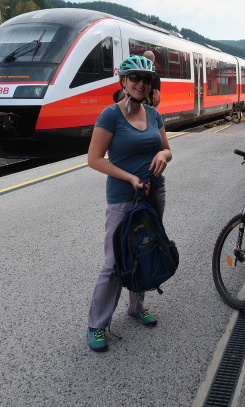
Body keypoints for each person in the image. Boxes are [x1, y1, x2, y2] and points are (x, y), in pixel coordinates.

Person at [86, 55, 172, 352]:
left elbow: (167, 150)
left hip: (153, 193)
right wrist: (130, 178)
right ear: (123, 80)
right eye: (134, 77)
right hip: (124, 197)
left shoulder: (154, 114)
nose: (140, 83)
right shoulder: (110, 115)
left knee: (145, 250)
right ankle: (97, 324)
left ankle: (136, 307)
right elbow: (94, 160)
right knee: (113, 262)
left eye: (146, 79)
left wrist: (162, 156)